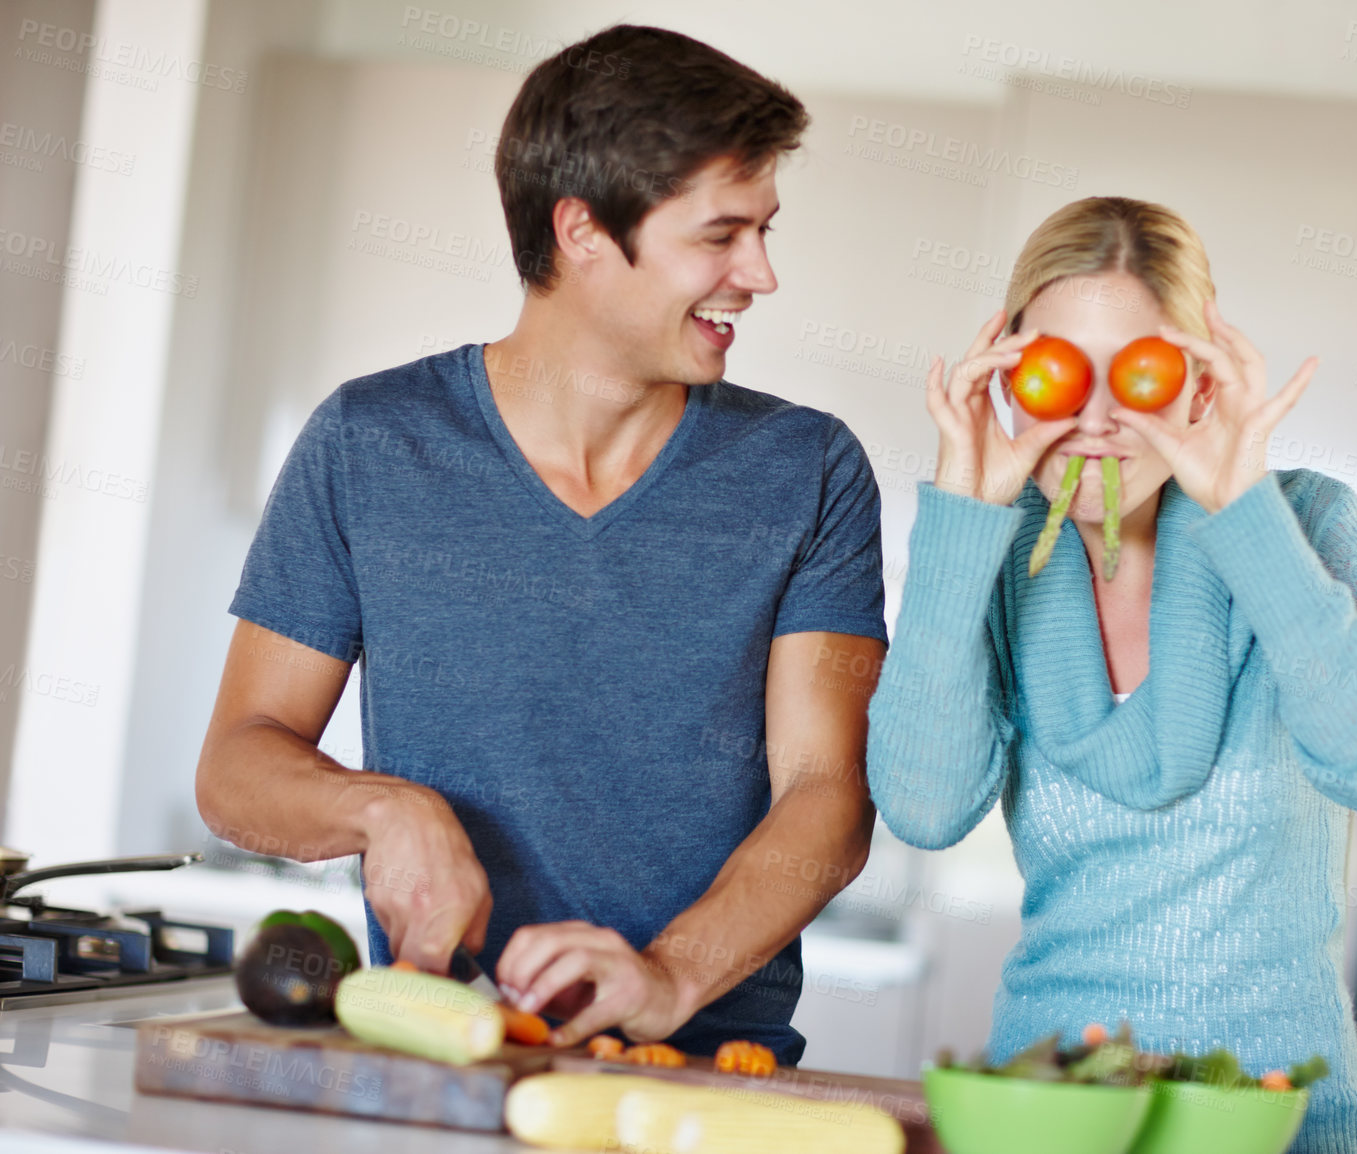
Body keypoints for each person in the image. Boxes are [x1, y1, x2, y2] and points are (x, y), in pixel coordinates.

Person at [194, 25, 887, 1063]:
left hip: (696, 1075)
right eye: (721, 234)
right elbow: (238, 768)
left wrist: (670, 975)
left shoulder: (807, 468)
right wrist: (382, 808)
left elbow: (824, 794)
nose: (759, 273)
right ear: (583, 230)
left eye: (764, 230)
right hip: (437, 1062)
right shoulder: (369, 443)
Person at [866, 196, 1357, 1153]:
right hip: (1053, 1119)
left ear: (1201, 386)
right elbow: (924, 807)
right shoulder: (996, 561)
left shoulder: (1301, 521)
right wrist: (960, 525)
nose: (1094, 420)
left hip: (1276, 1128)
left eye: (1137, 374)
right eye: (1056, 374)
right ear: (1007, 380)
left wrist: (1242, 510)